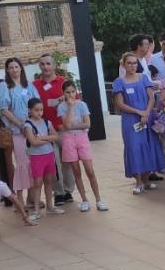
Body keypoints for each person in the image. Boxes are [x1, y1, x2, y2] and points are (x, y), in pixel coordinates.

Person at [113, 51, 165, 194]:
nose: (132, 65)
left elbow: (152, 98)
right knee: (134, 147)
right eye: (129, 63)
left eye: (134, 63)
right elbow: (120, 104)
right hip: (131, 120)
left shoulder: (143, 78)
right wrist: (139, 112)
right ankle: (138, 182)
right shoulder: (119, 82)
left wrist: (146, 113)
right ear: (124, 65)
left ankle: (147, 180)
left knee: (149, 146)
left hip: (146, 118)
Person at [56, 81, 106, 211]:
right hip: (68, 140)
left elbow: (87, 123)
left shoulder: (82, 105)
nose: (71, 94)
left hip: (82, 138)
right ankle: (84, 200)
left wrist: (72, 126)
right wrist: (71, 108)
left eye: (73, 91)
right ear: (64, 93)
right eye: (67, 92)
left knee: (90, 170)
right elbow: (65, 125)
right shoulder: (61, 107)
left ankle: (99, 199)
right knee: (76, 172)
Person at [33, 52, 76, 204]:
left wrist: (65, 99)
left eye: (48, 63)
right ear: (39, 66)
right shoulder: (34, 85)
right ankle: (58, 192)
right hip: (45, 130)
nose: (45, 67)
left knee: (67, 160)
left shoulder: (63, 82)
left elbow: (74, 100)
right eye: (42, 64)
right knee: (53, 162)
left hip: (63, 128)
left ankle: (68, 190)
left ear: (54, 65)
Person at [0, 57, 39, 201]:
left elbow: (37, 104)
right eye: (11, 67)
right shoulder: (4, 86)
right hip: (17, 131)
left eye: (16, 67)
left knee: (33, 163)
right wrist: (20, 124)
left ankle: (32, 198)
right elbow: (4, 109)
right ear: (7, 70)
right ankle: (19, 199)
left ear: (21, 68)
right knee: (22, 164)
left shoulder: (29, 86)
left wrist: (31, 123)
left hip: (31, 129)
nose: (14, 70)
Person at [21, 98, 65, 219]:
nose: (39, 113)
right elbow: (33, 142)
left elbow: (56, 136)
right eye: (36, 110)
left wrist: (43, 138)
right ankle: (36, 210)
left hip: (49, 155)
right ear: (30, 110)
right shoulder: (28, 125)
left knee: (49, 181)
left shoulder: (47, 122)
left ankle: (50, 207)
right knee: (37, 183)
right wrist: (47, 139)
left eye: (41, 110)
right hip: (36, 157)